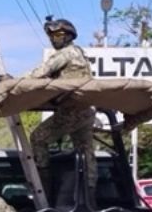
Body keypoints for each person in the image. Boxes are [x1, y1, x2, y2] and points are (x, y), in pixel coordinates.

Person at [21, 17, 97, 202]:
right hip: (85, 111)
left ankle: (44, 194)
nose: (54, 39)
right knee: (86, 153)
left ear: (69, 36)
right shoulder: (79, 53)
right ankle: (91, 200)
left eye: (58, 35)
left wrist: (15, 81)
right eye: (51, 35)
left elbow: (41, 71)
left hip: (72, 111)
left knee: (38, 138)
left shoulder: (67, 54)